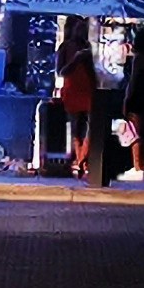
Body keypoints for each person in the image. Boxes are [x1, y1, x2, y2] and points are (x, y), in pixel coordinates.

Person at [56, 28, 99, 178]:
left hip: (87, 90)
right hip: (72, 89)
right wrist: (76, 59)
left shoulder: (88, 47)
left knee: (88, 126)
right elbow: (61, 71)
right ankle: (79, 159)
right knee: (75, 126)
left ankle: (81, 159)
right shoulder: (65, 47)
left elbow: (93, 71)